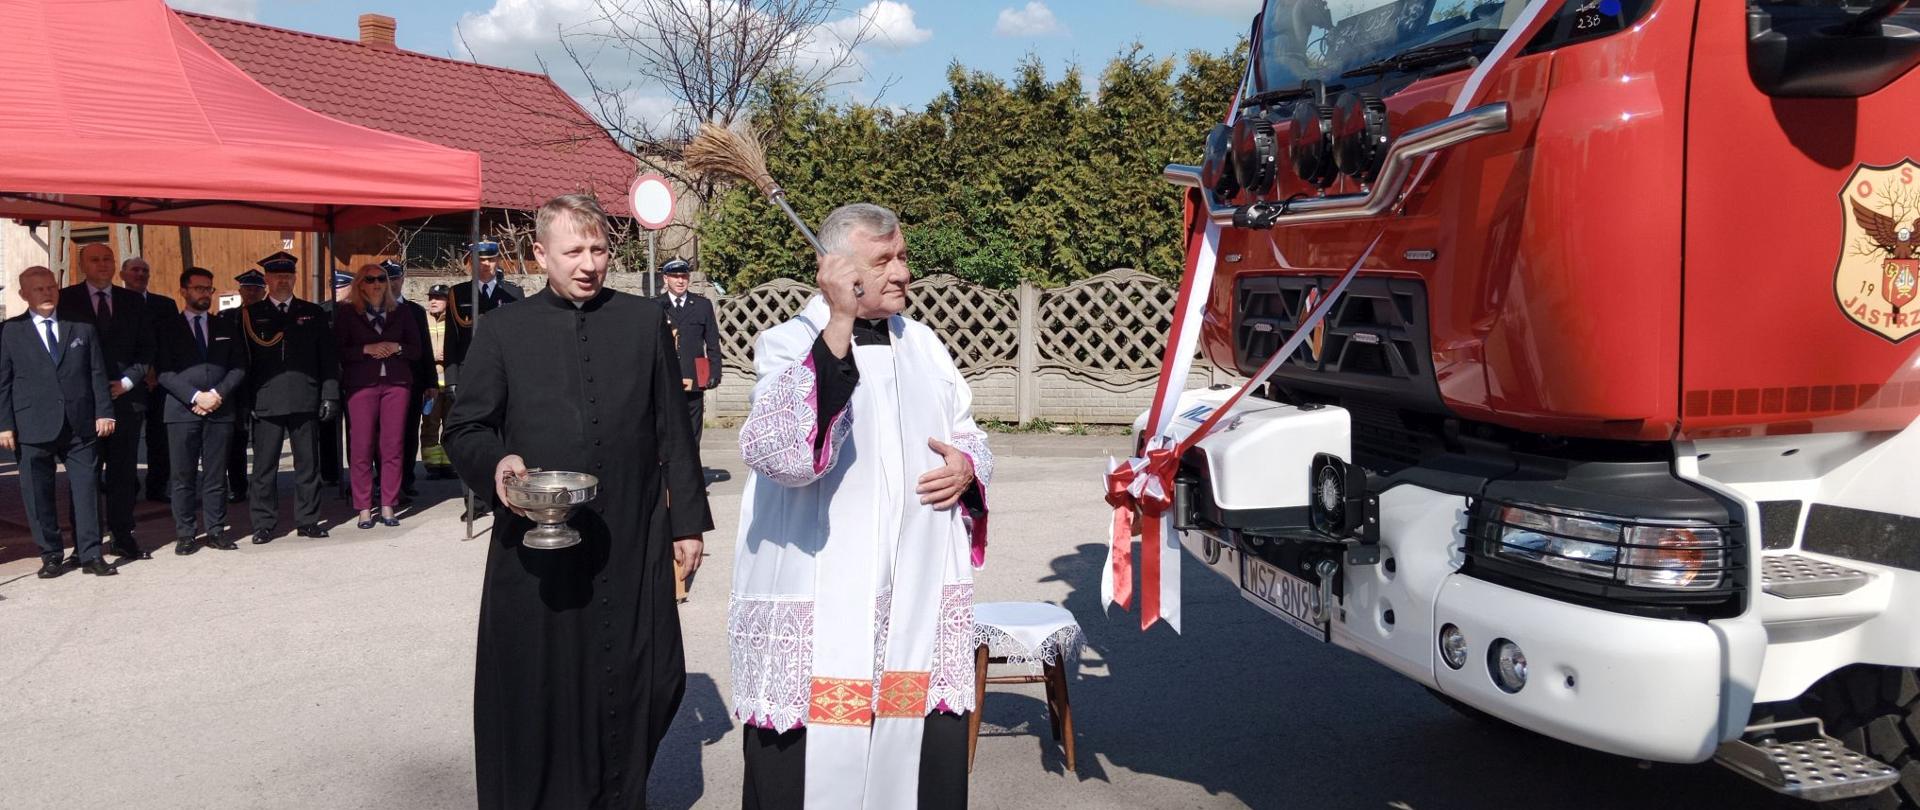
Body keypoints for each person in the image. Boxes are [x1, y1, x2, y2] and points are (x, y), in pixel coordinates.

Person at [444, 194, 711, 809]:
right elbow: (466, 429)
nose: (589, 263)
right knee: (546, 684)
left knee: (653, 673)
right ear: (540, 255)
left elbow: (674, 429)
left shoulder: (644, 322)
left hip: (632, 533)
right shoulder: (505, 330)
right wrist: (498, 467)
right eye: (574, 251)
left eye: (598, 249)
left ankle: (618, 793)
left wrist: (688, 523)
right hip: (535, 542)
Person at [730, 203, 992, 810]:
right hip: (822, 600)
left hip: (916, 599)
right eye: (884, 260)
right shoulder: (787, 344)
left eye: (902, 255)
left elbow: (968, 431)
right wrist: (840, 326)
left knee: (920, 753)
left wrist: (966, 468)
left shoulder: (924, 344)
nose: (903, 271)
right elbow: (785, 455)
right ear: (840, 271)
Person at [1, 267, 119, 578]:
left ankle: (91, 553)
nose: (46, 293)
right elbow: (3, 382)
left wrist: (104, 412)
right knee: (38, 494)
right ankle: (51, 554)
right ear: (24, 295)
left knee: (86, 490)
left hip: (79, 425)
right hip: (32, 425)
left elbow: (97, 373)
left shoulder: (80, 327)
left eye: (51, 287)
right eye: (38, 289)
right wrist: (4, 424)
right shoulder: (10, 331)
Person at [58, 242, 157, 561]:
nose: (102, 265)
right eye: (95, 260)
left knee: (123, 473)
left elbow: (147, 349)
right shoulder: (66, 299)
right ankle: (84, 544)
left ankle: (122, 536)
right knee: (83, 475)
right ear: (82, 265)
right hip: (83, 404)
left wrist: (127, 381)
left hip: (126, 401)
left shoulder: (133, 301)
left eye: (107, 259)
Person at [243, 252, 340, 544]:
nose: (282, 281)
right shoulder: (250, 314)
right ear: (267, 280)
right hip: (267, 400)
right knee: (263, 467)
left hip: (305, 397)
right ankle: (263, 523)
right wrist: (247, 402)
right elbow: (245, 363)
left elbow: (327, 358)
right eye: (276, 276)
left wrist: (330, 395)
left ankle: (308, 519)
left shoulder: (312, 312)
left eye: (287, 276)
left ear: (295, 278)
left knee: (308, 464)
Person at [156, 267, 247, 554]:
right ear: (184, 291)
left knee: (216, 475)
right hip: (182, 410)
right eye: (198, 288)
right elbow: (164, 371)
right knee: (183, 476)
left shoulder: (225, 326)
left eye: (208, 288)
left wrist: (217, 394)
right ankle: (185, 533)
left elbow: (238, 366)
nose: (204, 294)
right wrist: (195, 396)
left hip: (220, 409)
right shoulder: (168, 327)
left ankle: (216, 530)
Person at [335, 263, 419, 530]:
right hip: (362, 385)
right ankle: (362, 507)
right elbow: (338, 350)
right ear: (360, 284)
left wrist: (397, 347)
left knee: (392, 445)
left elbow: (417, 350)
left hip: (396, 384)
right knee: (361, 445)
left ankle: (388, 503)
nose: (377, 284)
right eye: (370, 279)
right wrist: (366, 349)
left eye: (381, 279)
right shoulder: (347, 313)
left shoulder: (402, 311)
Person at [446, 241, 522, 522]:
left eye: (491, 259)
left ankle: (504, 492)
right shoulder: (459, 294)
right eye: (481, 259)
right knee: (472, 436)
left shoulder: (512, 293)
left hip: (503, 372)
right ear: (471, 262)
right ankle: (475, 500)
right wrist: (452, 378)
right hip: (469, 372)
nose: (486, 264)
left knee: (503, 435)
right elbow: (452, 342)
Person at [123, 256, 180, 504]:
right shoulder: (114, 303)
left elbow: (170, 342)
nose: (140, 274)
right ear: (123, 274)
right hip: (127, 381)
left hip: (160, 382)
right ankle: (126, 485)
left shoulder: (164, 305)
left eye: (144, 270)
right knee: (126, 438)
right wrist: (138, 371)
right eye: (134, 270)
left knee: (160, 438)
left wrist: (156, 370)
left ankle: (157, 487)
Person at [656, 258, 723, 443]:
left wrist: (714, 372)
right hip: (665, 378)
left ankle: (692, 469)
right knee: (667, 430)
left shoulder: (702, 305)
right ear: (665, 279)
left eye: (684, 276)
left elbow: (712, 343)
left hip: (693, 375)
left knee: (693, 431)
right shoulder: (656, 306)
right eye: (675, 276)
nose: (680, 280)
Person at [384, 259, 433, 502]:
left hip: (413, 381)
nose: (392, 283)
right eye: (387, 278)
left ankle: (406, 479)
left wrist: (431, 382)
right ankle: (384, 481)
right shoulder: (374, 308)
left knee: (409, 433)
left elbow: (425, 348)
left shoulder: (415, 311)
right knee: (384, 436)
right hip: (383, 383)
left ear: (402, 279)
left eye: (395, 278)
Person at [226, 270, 268, 504]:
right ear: (240, 291)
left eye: (256, 288)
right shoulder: (227, 317)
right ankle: (238, 486)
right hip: (237, 387)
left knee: (263, 440)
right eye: (247, 288)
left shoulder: (271, 315)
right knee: (236, 439)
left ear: (264, 291)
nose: (251, 292)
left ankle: (262, 485)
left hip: (263, 384)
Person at [318, 270, 355, 497]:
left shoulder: (359, 310)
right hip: (330, 377)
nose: (336, 290)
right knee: (327, 427)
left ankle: (356, 476)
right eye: (334, 286)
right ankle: (329, 472)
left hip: (353, 375)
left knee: (356, 431)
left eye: (341, 286)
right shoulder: (321, 311)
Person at [419, 284, 455, 479]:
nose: (433, 301)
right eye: (431, 297)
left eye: (438, 298)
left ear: (448, 301)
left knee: (450, 426)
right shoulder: (423, 319)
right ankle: (432, 466)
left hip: (450, 384)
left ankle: (448, 464)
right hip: (430, 386)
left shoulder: (453, 320)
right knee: (430, 426)